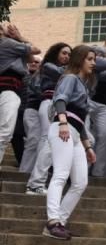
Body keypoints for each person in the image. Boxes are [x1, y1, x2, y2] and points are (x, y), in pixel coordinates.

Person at [43, 45, 97, 240]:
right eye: (90, 58)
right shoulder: (70, 78)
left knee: (80, 181)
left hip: (74, 133)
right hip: (62, 129)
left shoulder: (83, 85)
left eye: (94, 59)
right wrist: (63, 123)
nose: (93, 63)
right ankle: (52, 221)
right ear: (80, 59)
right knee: (60, 174)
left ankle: (60, 222)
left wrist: (87, 146)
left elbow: (80, 121)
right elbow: (60, 100)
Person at [26, 42, 72, 195]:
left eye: (70, 55)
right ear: (55, 53)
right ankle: (36, 182)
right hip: (49, 104)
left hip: (59, 107)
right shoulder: (48, 66)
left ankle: (38, 180)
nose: (67, 57)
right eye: (64, 53)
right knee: (47, 140)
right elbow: (62, 74)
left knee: (48, 140)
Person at [0, 23, 40, 168]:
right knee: (5, 132)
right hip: (8, 89)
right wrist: (19, 37)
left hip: (9, 90)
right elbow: (36, 50)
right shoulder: (7, 43)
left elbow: (30, 58)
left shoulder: (10, 45)